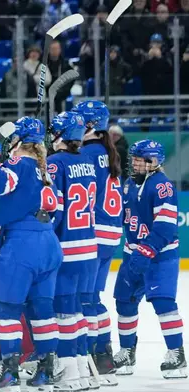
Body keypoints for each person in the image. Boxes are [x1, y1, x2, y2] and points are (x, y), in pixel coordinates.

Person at [0, 117, 61, 391]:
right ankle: (46, 369)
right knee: (42, 310)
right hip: (48, 242)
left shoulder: (19, 164)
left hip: (21, 245)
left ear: (19, 142)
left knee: (8, 309)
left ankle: (9, 369)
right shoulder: (44, 171)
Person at [113, 140, 187, 379]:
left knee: (164, 303)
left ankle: (177, 354)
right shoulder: (127, 184)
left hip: (160, 256)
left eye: (141, 159)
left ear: (154, 161)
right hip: (132, 253)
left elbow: (165, 229)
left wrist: (147, 251)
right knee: (124, 303)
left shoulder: (162, 186)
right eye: (133, 158)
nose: (135, 162)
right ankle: (127, 351)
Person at [47, 112, 99, 390]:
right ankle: (80, 368)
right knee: (77, 310)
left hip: (66, 248)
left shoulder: (55, 163)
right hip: (89, 247)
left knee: (64, 312)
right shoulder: (87, 161)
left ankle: (69, 374)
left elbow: (53, 209)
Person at [75, 100, 124, 387]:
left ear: (90, 126)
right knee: (92, 296)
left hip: (90, 233)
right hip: (109, 234)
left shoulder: (87, 153)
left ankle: (93, 353)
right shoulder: (107, 151)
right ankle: (103, 354)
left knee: (83, 297)